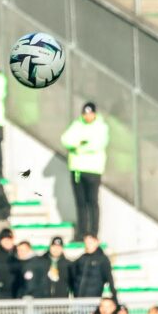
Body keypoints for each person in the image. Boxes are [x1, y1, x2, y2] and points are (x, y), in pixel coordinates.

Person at [60, 101, 107, 238]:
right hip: (77, 170)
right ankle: (82, 232)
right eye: (85, 114)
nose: (88, 116)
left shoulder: (101, 127)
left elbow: (97, 144)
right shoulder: (77, 125)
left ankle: (93, 232)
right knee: (81, 203)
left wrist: (78, 146)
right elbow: (66, 139)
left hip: (93, 170)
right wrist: (81, 143)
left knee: (92, 202)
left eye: (90, 113)